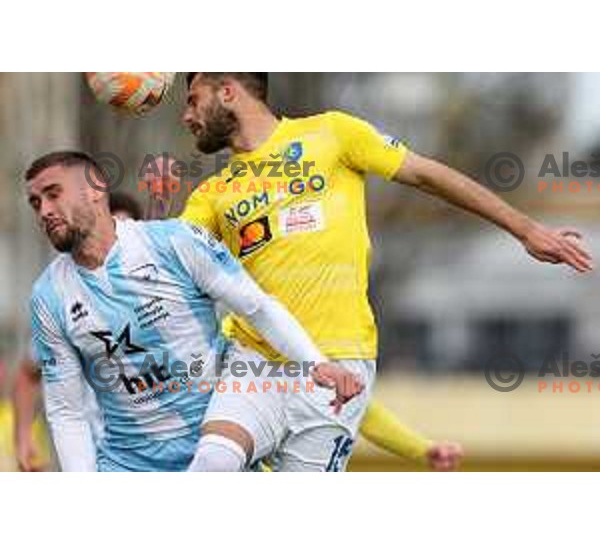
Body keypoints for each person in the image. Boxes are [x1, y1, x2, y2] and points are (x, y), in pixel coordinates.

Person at [146, 72, 591, 472]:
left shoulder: (333, 133)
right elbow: (162, 270)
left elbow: (426, 174)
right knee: (212, 462)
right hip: (255, 363)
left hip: (342, 362)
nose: (187, 116)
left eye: (192, 99)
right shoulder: (213, 193)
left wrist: (526, 229)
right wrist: (158, 206)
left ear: (227, 92)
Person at [27, 152, 361, 471]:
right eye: (36, 203)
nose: (44, 211)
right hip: (128, 463)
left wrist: (315, 362)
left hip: (217, 443)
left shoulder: (175, 241)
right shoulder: (48, 295)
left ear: (96, 189)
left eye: (53, 194)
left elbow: (256, 307)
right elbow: (65, 410)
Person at [13, 191, 144, 472]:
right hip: (91, 454)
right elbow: (28, 373)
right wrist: (24, 436)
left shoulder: (161, 298)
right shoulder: (61, 302)